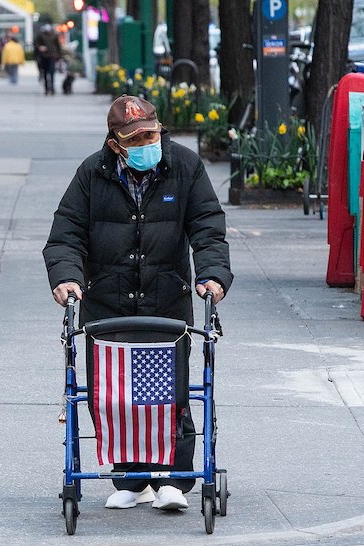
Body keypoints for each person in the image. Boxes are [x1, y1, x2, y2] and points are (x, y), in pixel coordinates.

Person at [43, 95, 233, 511]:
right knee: (112, 395)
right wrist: (66, 277)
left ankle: (174, 480)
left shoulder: (184, 165)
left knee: (170, 393)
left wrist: (213, 275)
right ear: (115, 143)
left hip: (166, 300)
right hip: (107, 303)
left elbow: (207, 225)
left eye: (153, 133)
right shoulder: (92, 174)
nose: (149, 142)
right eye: (137, 138)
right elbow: (66, 233)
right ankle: (131, 478)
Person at [34, 24, 62, 95]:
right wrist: (40, 47)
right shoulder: (40, 35)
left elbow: (58, 46)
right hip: (43, 57)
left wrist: (59, 55)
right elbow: (35, 43)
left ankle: (52, 88)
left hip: (52, 56)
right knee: (45, 73)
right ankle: (47, 89)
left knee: (52, 73)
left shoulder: (54, 35)